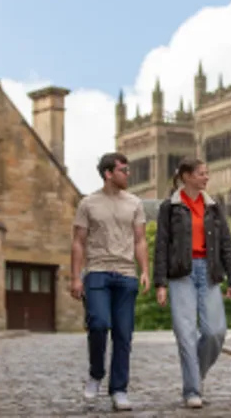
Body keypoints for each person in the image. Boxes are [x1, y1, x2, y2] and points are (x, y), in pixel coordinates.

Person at [153, 157, 231, 409]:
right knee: (186, 333)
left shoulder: (213, 207)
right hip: (181, 273)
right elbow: (161, 245)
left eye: (206, 173)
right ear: (187, 176)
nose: (206, 177)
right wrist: (160, 283)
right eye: (202, 173)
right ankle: (192, 390)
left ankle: (194, 376)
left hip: (209, 271)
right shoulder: (169, 207)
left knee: (215, 332)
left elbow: (226, 243)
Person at [70, 152, 150, 411]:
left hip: (126, 274)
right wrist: (75, 277)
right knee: (98, 324)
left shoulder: (135, 203)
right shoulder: (88, 203)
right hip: (97, 272)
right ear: (108, 173)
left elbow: (140, 240)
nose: (128, 174)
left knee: (123, 335)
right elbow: (78, 242)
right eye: (123, 170)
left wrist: (145, 270)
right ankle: (96, 373)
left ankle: (119, 390)